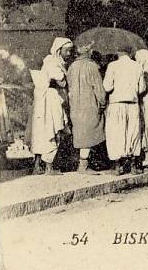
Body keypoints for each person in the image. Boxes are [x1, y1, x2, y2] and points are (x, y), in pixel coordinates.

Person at [30, 38, 73, 175]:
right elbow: (61, 83)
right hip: (50, 99)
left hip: (42, 100)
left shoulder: (51, 62)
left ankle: (37, 166)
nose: (69, 54)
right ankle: (49, 166)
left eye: (70, 51)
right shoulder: (53, 62)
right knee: (52, 129)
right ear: (59, 50)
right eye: (67, 51)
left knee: (40, 131)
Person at [102, 45, 147, 175]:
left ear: (118, 52)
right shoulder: (137, 66)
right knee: (133, 133)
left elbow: (107, 87)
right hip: (133, 104)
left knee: (116, 134)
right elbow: (141, 89)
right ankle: (133, 165)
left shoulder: (112, 66)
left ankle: (117, 166)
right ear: (130, 53)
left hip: (117, 104)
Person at [67, 43, 106, 174]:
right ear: (89, 54)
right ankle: (83, 165)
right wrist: (103, 102)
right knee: (90, 133)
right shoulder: (92, 66)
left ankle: (82, 162)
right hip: (89, 104)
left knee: (80, 132)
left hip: (75, 105)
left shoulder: (72, 67)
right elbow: (99, 88)